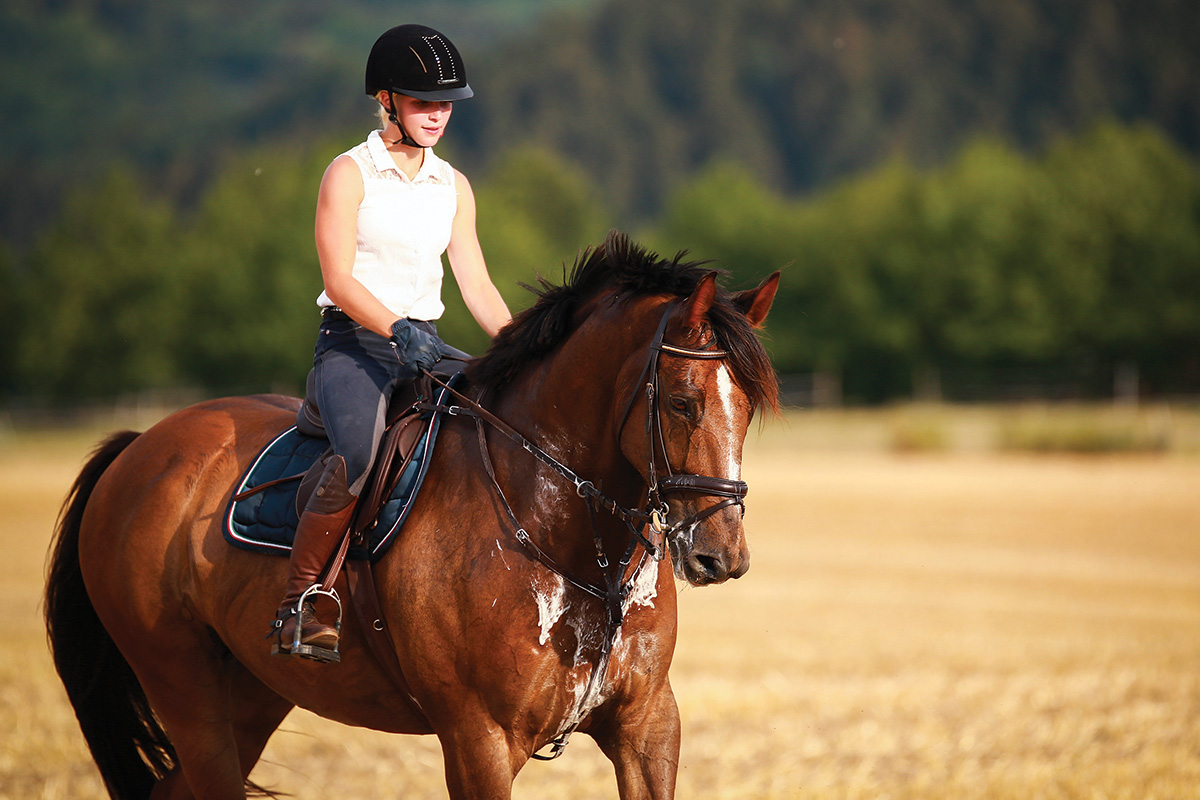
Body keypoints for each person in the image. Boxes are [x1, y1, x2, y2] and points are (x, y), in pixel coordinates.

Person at [272, 24, 512, 658]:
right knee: (358, 454)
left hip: (425, 345)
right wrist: (394, 327)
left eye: (445, 104)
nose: (437, 115)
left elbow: (477, 284)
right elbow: (338, 279)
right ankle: (305, 601)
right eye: (422, 102)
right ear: (387, 101)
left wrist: (522, 344)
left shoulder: (453, 186)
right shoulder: (348, 175)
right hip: (354, 346)